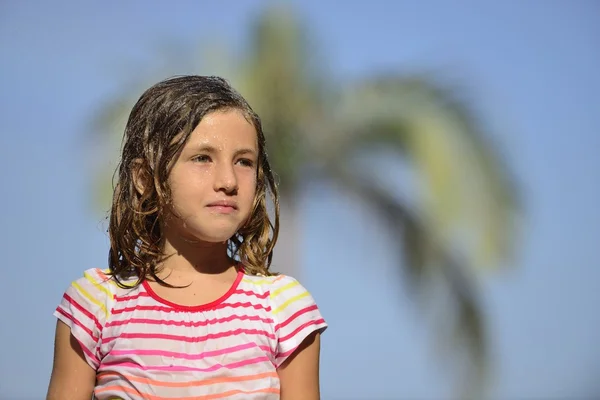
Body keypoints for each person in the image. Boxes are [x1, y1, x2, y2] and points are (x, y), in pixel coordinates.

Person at [46, 76, 327, 400]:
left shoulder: (283, 310)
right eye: (202, 158)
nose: (228, 180)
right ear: (144, 178)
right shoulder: (95, 305)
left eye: (244, 161)